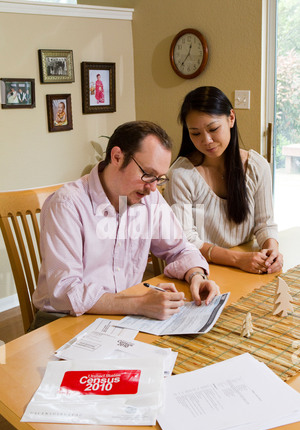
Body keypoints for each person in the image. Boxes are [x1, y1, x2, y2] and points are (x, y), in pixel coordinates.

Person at [32, 121, 220, 328]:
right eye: (147, 174)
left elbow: (180, 248)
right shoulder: (67, 204)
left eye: (159, 179)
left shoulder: (149, 197)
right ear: (117, 157)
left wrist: (196, 275)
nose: (152, 188)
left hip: (121, 317)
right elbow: (66, 292)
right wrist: (139, 303)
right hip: (63, 320)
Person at [164, 86, 283, 275]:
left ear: (231, 118)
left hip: (248, 266)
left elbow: (265, 224)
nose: (207, 140)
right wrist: (237, 259)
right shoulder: (181, 175)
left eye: (213, 129)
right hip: (201, 272)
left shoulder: (256, 167)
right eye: (195, 133)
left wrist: (272, 250)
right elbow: (186, 240)